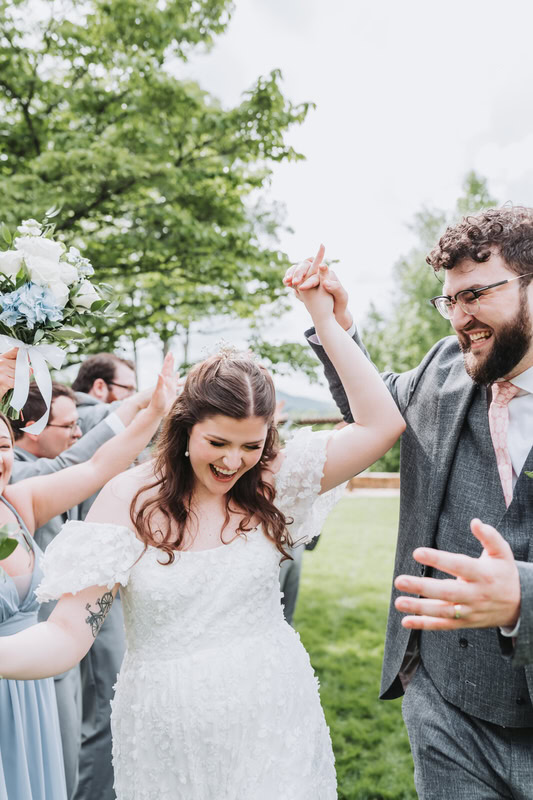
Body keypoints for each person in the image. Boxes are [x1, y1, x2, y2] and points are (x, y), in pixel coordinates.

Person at [0, 247, 405, 799]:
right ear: (185, 427)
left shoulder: (272, 483)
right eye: (217, 442)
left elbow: (381, 425)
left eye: (250, 445)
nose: (232, 461)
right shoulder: (131, 500)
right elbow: (67, 635)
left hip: (273, 720)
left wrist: (324, 319)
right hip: (166, 736)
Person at [286, 208, 533, 799]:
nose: (460, 319)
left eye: (475, 294)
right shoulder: (442, 370)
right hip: (445, 709)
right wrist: (334, 325)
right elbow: (370, 407)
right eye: (450, 302)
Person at [0, 353, 176, 800]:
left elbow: (97, 467)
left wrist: (154, 410)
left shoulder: (18, 503)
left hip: (33, 687)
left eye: (3, 447)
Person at [70, 352, 138, 800]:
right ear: (100, 389)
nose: (135, 402)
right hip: (91, 578)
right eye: (129, 390)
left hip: (117, 574)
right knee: (104, 710)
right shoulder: (84, 413)